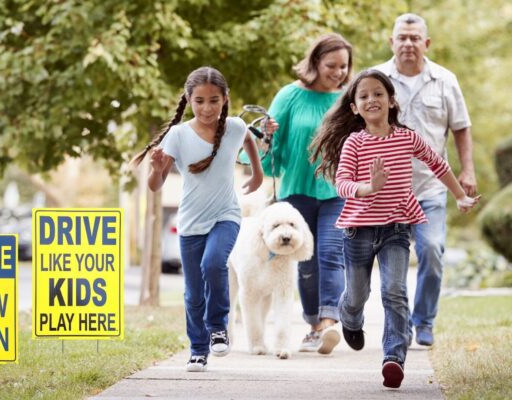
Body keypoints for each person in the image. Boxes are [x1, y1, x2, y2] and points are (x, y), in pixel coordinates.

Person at [311, 69, 479, 388]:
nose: (371, 99)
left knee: (394, 291)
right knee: (357, 294)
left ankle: (393, 357)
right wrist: (368, 187)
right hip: (358, 230)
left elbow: (437, 163)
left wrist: (459, 196)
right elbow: (343, 182)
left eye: (378, 94)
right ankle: (350, 318)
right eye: (363, 96)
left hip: (396, 229)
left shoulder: (407, 137)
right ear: (354, 108)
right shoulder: (354, 142)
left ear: (391, 100)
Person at [130, 66, 277, 373]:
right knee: (193, 293)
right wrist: (157, 169)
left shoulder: (235, 127)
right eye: (199, 101)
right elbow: (155, 186)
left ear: (225, 99)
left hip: (226, 215)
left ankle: (219, 327)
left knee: (214, 264)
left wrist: (258, 172)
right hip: (190, 223)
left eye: (214, 100)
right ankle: (198, 349)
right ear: (188, 99)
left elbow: (251, 141)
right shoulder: (178, 135)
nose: (207, 108)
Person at [373, 13, 477, 347]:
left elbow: (461, 126)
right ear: (391, 42)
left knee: (432, 250)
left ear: (426, 43)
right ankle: (398, 327)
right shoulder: (376, 80)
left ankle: (424, 320)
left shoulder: (445, 80)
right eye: (401, 37)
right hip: (389, 190)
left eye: (414, 38)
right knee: (392, 265)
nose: (407, 43)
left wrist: (467, 170)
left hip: (432, 186)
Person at [264, 33, 352, 355]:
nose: (339, 72)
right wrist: (266, 137)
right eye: (332, 65)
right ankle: (313, 324)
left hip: (336, 191)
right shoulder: (289, 96)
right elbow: (268, 145)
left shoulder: (347, 100)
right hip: (297, 191)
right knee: (307, 261)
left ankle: (329, 322)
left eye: (344, 66)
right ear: (315, 62)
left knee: (331, 253)